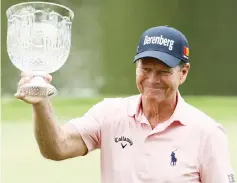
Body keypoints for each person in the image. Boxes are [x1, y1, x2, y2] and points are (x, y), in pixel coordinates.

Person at [15, 25, 235, 183]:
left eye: (163, 72)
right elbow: (57, 147)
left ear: (183, 73)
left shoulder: (207, 133)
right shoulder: (109, 114)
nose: (152, 80)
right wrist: (41, 104)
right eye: (145, 69)